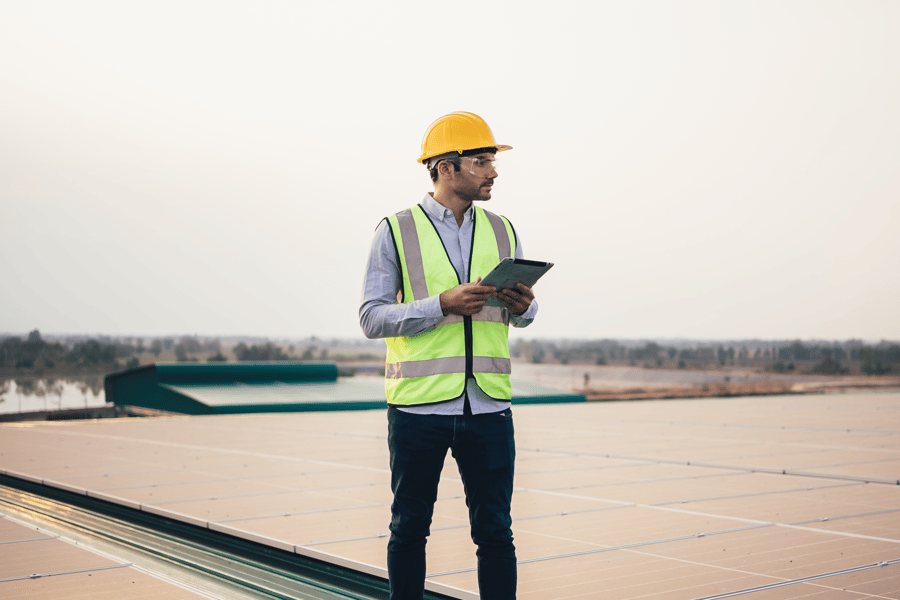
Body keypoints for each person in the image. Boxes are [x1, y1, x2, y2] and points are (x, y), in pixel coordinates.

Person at [359, 111, 538, 600]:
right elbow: (372, 318)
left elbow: (524, 313)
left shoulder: (504, 230)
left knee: (496, 534)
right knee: (410, 529)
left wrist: (525, 307)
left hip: (489, 407)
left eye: (492, 161)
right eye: (481, 161)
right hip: (419, 410)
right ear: (445, 167)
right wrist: (441, 305)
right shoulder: (395, 230)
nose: (494, 171)